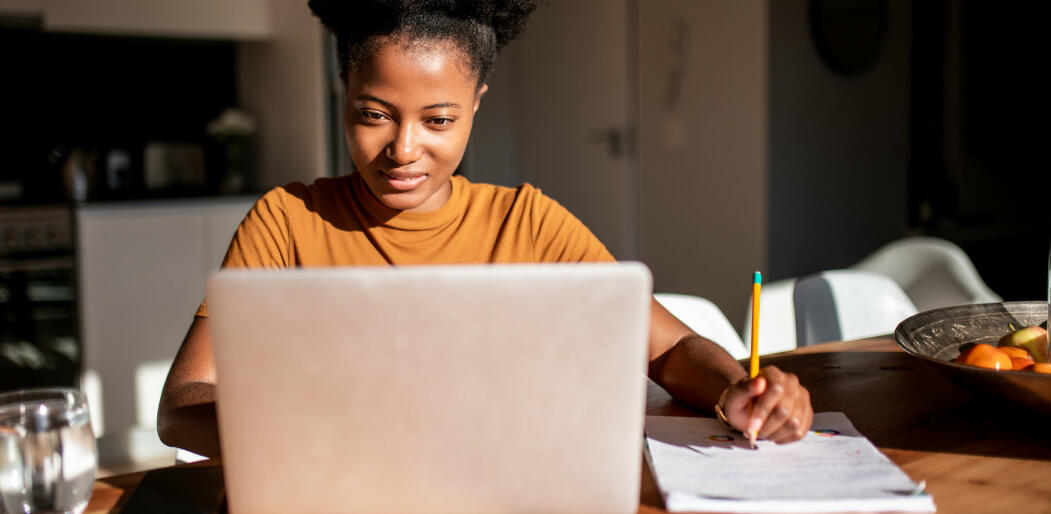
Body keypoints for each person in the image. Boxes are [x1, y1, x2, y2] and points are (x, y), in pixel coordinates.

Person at [157, 0, 812, 459]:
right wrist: (294, 431)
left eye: (438, 120)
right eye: (374, 114)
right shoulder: (286, 223)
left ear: (476, 105)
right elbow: (182, 400)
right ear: (343, 90)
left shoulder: (529, 224)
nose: (404, 148)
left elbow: (667, 352)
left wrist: (739, 392)